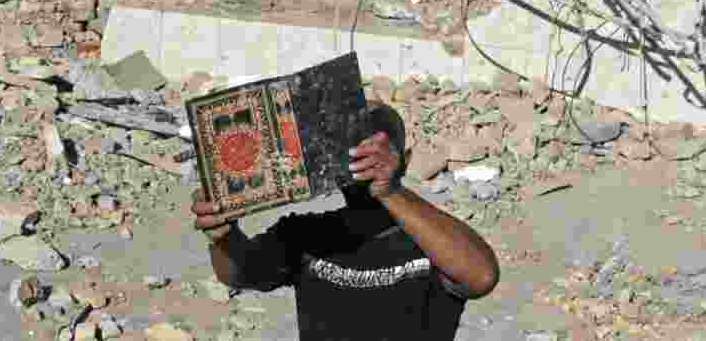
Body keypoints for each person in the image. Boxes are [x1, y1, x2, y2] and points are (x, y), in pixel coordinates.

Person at [190, 103, 499, 341]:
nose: (364, 165)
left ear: (403, 160)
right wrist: (223, 235)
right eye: (352, 155)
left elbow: (481, 276)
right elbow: (240, 274)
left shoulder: (434, 240)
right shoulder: (305, 234)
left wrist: (390, 191)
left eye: (378, 154)